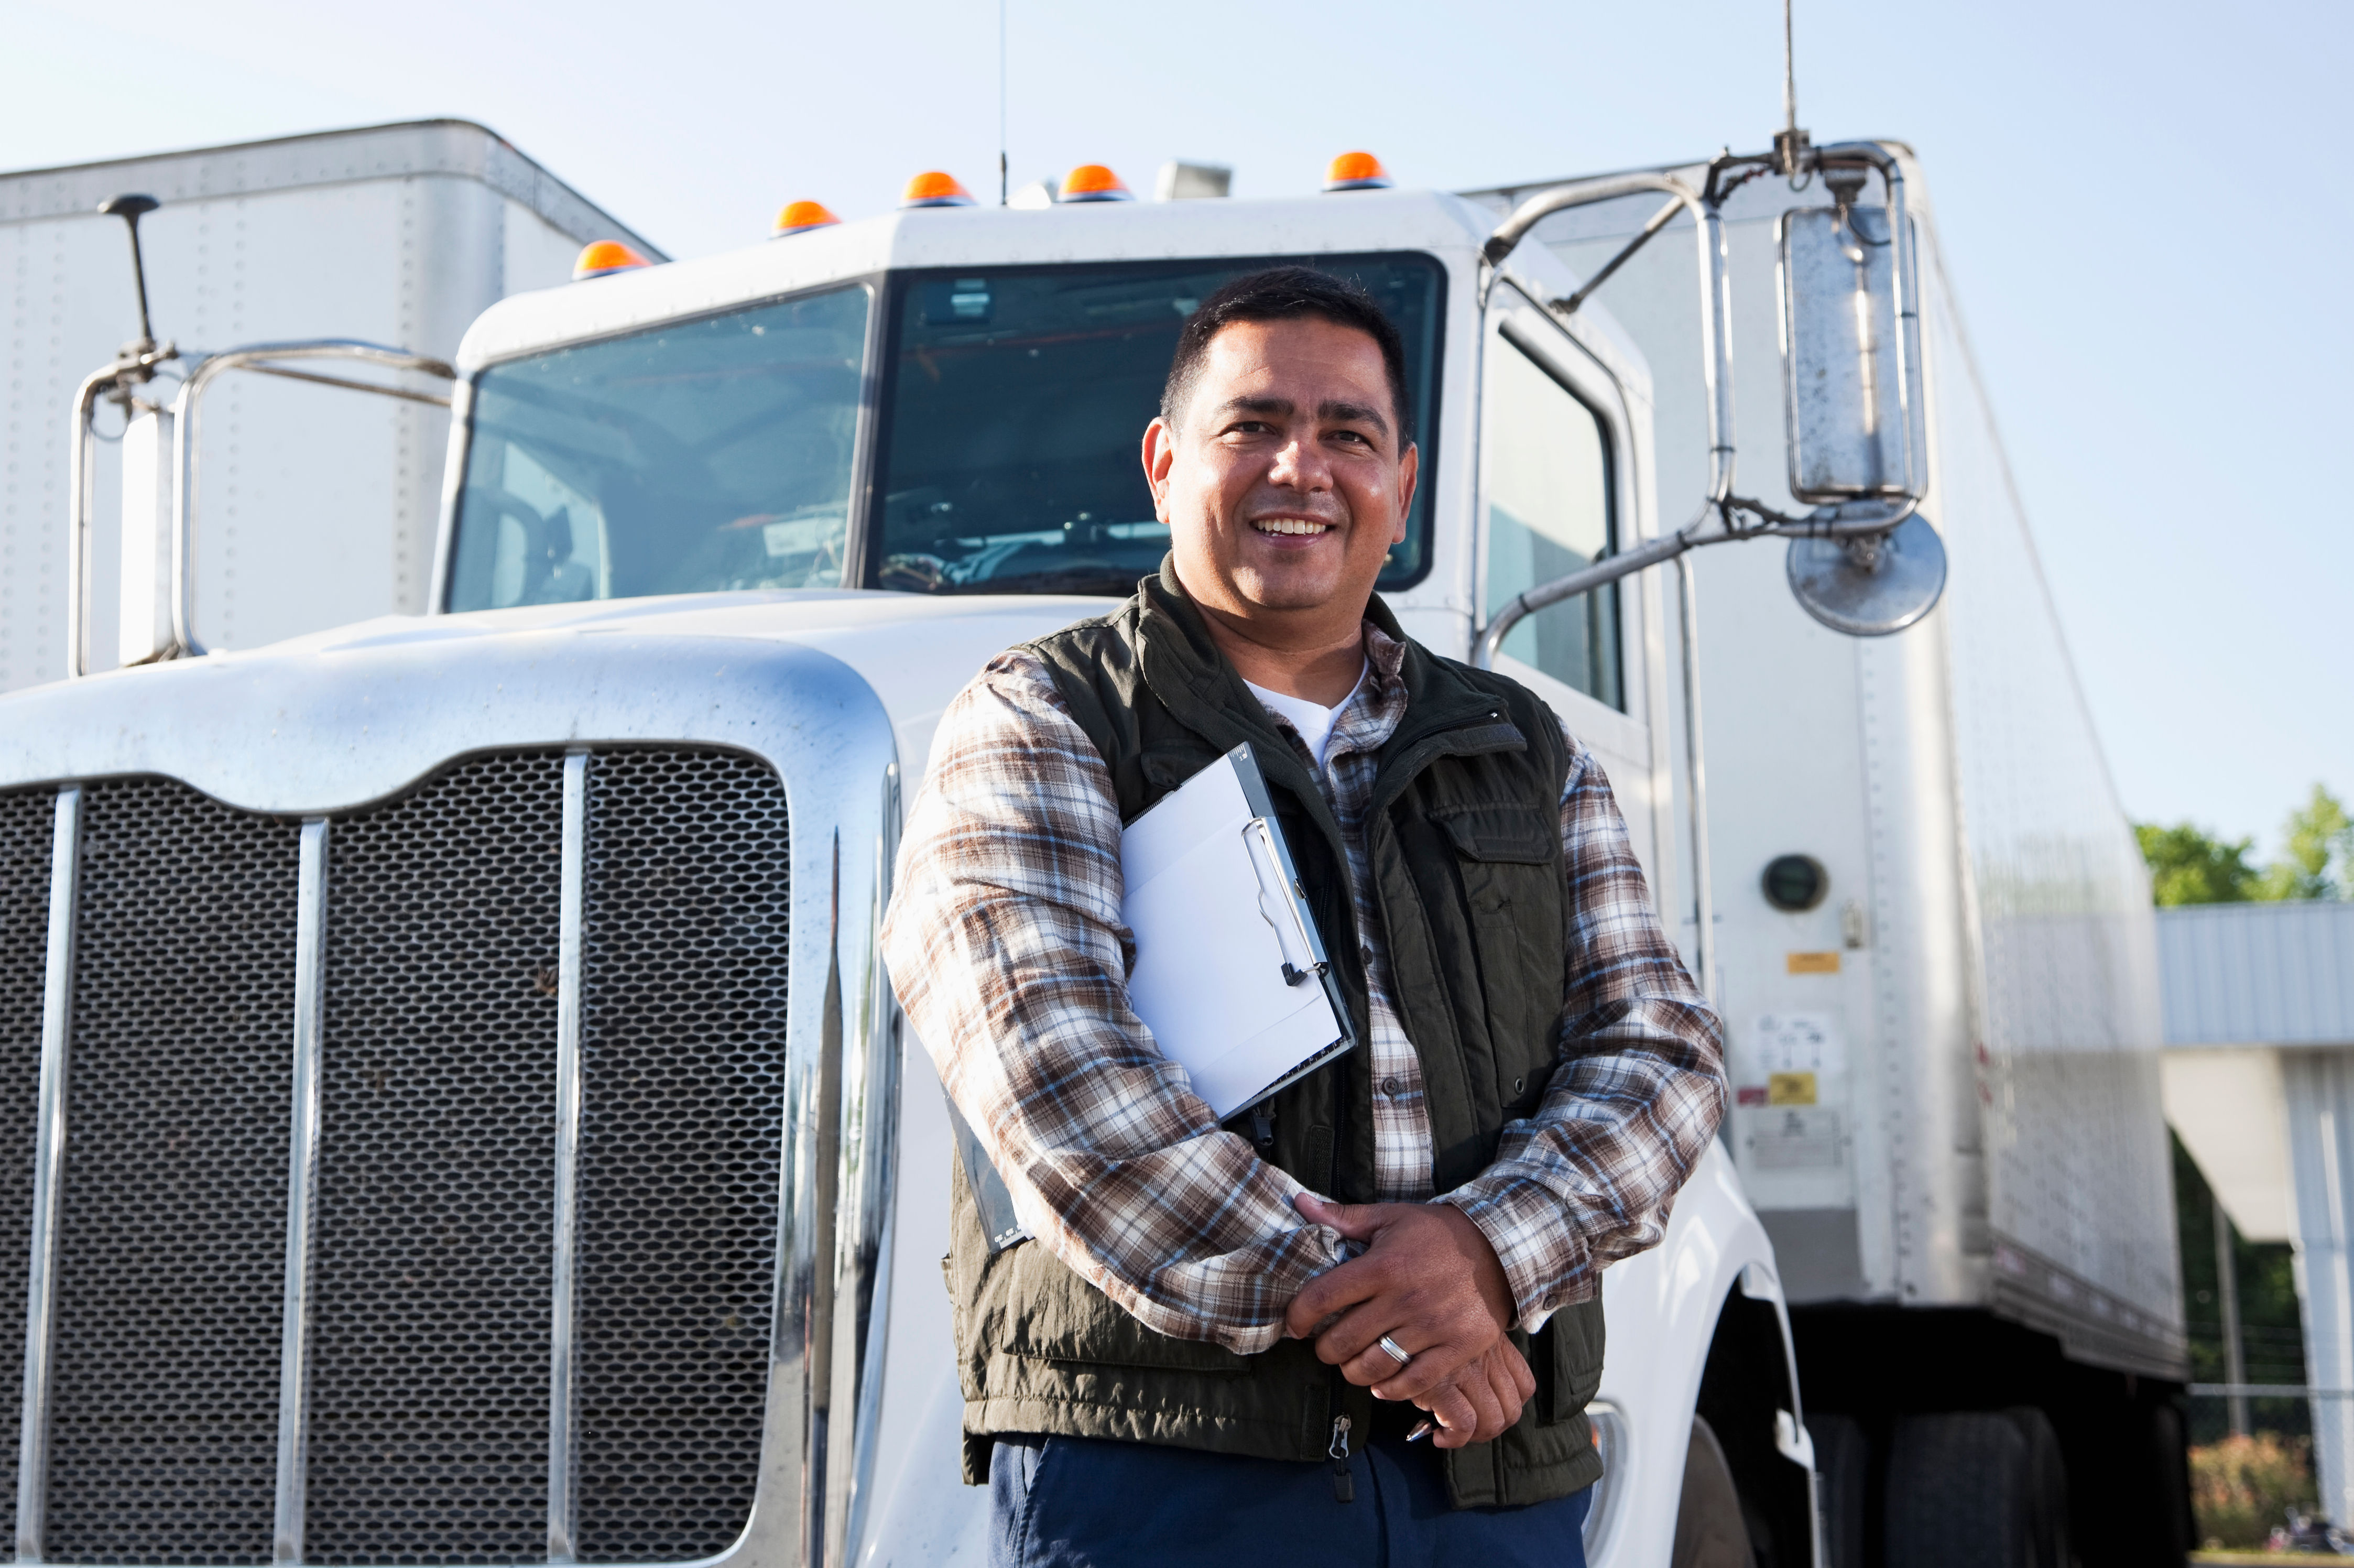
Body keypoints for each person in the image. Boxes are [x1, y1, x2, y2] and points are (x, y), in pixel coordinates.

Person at [880, 266, 1725, 1567]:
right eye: (1253, 425)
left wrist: (1486, 1256)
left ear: (1402, 483)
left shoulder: (1524, 745)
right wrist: (1399, 1313)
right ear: (1164, 462)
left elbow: (1659, 1050)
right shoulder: (1039, 717)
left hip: (1488, 1471)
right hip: (1166, 1471)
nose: (1300, 468)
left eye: (1346, 433)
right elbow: (1050, 1070)